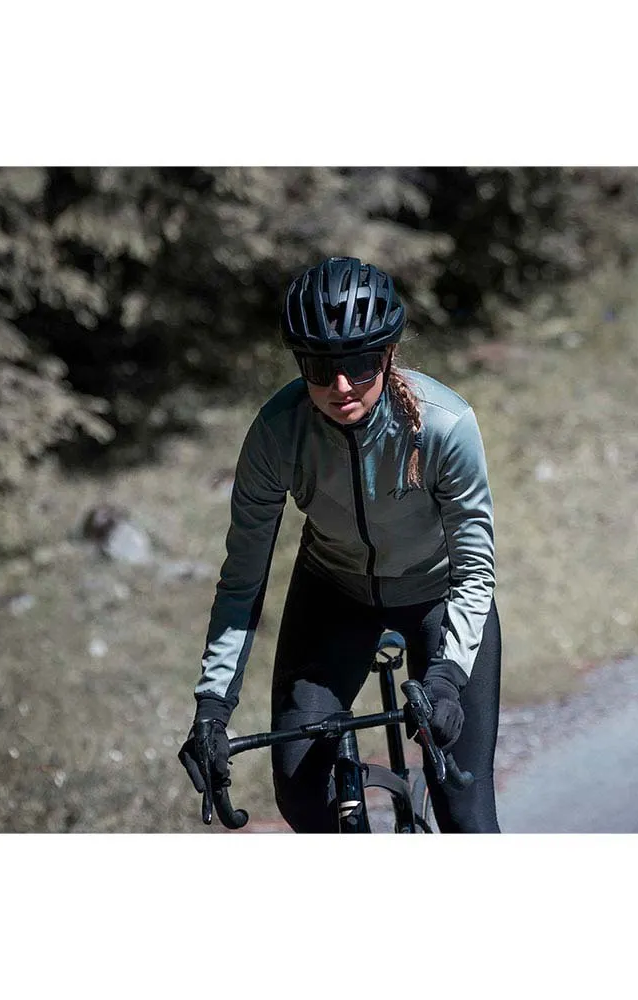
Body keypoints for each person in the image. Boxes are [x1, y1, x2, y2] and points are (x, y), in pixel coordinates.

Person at [179, 256, 502, 832]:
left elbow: (475, 569)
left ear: (388, 354)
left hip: (438, 598)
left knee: (465, 811)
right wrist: (212, 707)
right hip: (334, 595)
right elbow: (243, 581)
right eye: (320, 367)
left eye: (358, 363)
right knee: (303, 796)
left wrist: (448, 678)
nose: (341, 385)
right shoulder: (277, 433)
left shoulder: (444, 426)